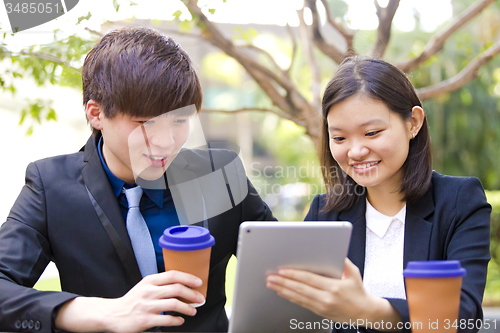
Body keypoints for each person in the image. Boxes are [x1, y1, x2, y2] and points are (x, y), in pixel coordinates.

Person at [0, 27, 274, 333]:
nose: (166, 141)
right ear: (96, 114)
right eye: (145, 123)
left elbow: (285, 263)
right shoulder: (50, 186)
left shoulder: (219, 175)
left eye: (180, 121)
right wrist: (103, 312)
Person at [266, 56, 491, 333]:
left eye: (372, 132)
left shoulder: (459, 201)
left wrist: (367, 311)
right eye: (339, 138)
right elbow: (303, 319)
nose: (356, 151)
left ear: (413, 123)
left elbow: (462, 316)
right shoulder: (325, 213)